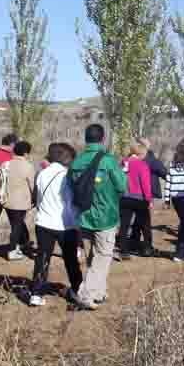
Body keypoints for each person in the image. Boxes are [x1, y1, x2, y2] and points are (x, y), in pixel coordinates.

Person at [68, 124, 127, 310]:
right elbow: (122, 187)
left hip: (84, 217)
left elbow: (71, 187)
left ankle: (98, 292)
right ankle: (86, 294)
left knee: (93, 258)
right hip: (105, 217)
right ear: (103, 139)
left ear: (86, 139)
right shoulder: (109, 162)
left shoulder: (76, 162)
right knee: (103, 257)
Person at [29, 142, 79, 307]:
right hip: (66, 224)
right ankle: (78, 290)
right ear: (66, 158)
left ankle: (35, 293)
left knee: (42, 258)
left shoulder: (42, 174)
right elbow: (72, 201)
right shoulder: (67, 175)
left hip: (43, 222)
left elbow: (36, 199)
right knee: (70, 259)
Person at [1, 140, 36, 261]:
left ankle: (23, 242)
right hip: (20, 202)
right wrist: (35, 199)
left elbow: (0, 181)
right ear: (26, 153)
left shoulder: (6, 164)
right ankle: (12, 250)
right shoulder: (28, 166)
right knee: (16, 226)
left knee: (16, 223)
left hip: (6, 200)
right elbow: (32, 185)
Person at [119, 139, 153, 258]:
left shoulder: (123, 163)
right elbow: (145, 184)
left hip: (124, 197)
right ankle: (147, 248)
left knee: (124, 224)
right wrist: (149, 199)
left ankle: (123, 250)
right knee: (145, 224)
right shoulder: (142, 165)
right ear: (140, 154)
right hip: (139, 198)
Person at [141, 138, 168, 203]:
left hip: (132, 194)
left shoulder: (129, 158)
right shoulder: (149, 158)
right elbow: (162, 171)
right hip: (149, 193)